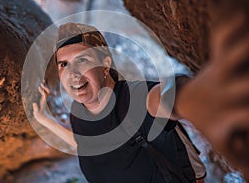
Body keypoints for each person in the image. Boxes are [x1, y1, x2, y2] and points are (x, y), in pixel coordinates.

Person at [33, 23, 206, 183]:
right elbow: (84, 143)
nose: (73, 73)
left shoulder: (136, 99)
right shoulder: (79, 113)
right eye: (64, 64)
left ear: (105, 65)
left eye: (82, 60)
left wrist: (193, 93)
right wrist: (43, 117)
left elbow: (165, 98)